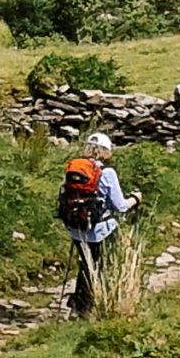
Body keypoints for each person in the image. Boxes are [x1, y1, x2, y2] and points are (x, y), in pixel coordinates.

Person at [60, 132, 135, 314]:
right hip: (100, 230)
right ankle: (90, 306)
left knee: (86, 264)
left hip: (76, 228)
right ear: (106, 151)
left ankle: (79, 303)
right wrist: (136, 199)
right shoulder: (107, 173)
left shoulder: (75, 169)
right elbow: (121, 206)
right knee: (99, 266)